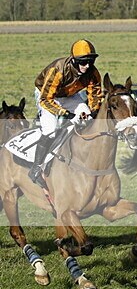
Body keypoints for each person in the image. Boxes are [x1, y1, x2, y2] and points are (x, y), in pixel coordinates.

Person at [28, 39, 103, 187]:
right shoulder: (58, 70)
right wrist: (64, 113)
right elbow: (45, 99)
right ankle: (36, 167)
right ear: (74, 60)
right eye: (83, 62)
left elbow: (94, 95)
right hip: (47, 95)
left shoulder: (93, 73)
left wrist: (94, 112)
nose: (87, 66)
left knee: (86, 118)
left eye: (91, 61)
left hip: (69, 95)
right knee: (50, 130)